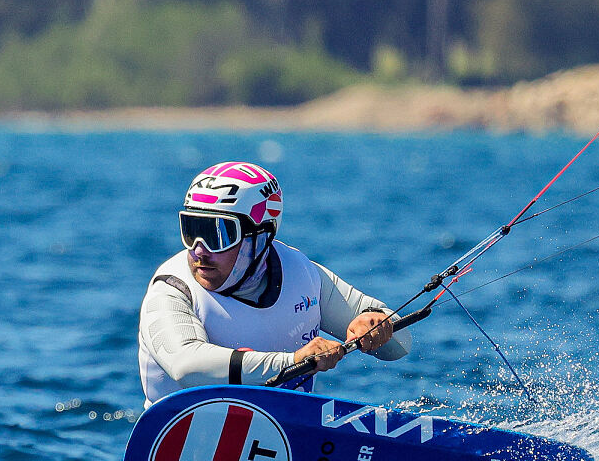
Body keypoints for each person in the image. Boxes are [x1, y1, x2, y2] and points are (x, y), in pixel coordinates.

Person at [138, 161, 411, 406]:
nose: (199, 250)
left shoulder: (303, 273)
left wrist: (376, 325)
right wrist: (293, 362)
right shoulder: (171, 289)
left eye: (218, 234)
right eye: (192, 230)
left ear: (260, 236)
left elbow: (400, 346)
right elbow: (186, 367)